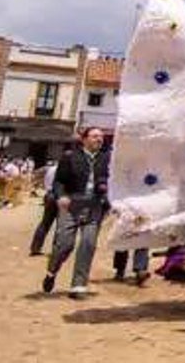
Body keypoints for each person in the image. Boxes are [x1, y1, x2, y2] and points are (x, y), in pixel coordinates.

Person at [42, 127, 110, 299]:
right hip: (71, 204)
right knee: (65, 244)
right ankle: (52, 271)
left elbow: (114, 179)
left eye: (101, 137)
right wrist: (61, 196)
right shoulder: (70, 157)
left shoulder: (107, 158)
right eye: (95, 136)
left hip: (94, 204)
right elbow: (59, 182)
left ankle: (78, 285)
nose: (99, 139)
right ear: (84, 139)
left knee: (88, 244)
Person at [29, 159, 59, 256]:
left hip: (48, 194)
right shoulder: (65, 169)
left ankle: (35, 247)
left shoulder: (48, 169)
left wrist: (40, 184)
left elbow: (35, 175)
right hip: (59, 196)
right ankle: (57, 249)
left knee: (45, 222)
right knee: (61, 224)